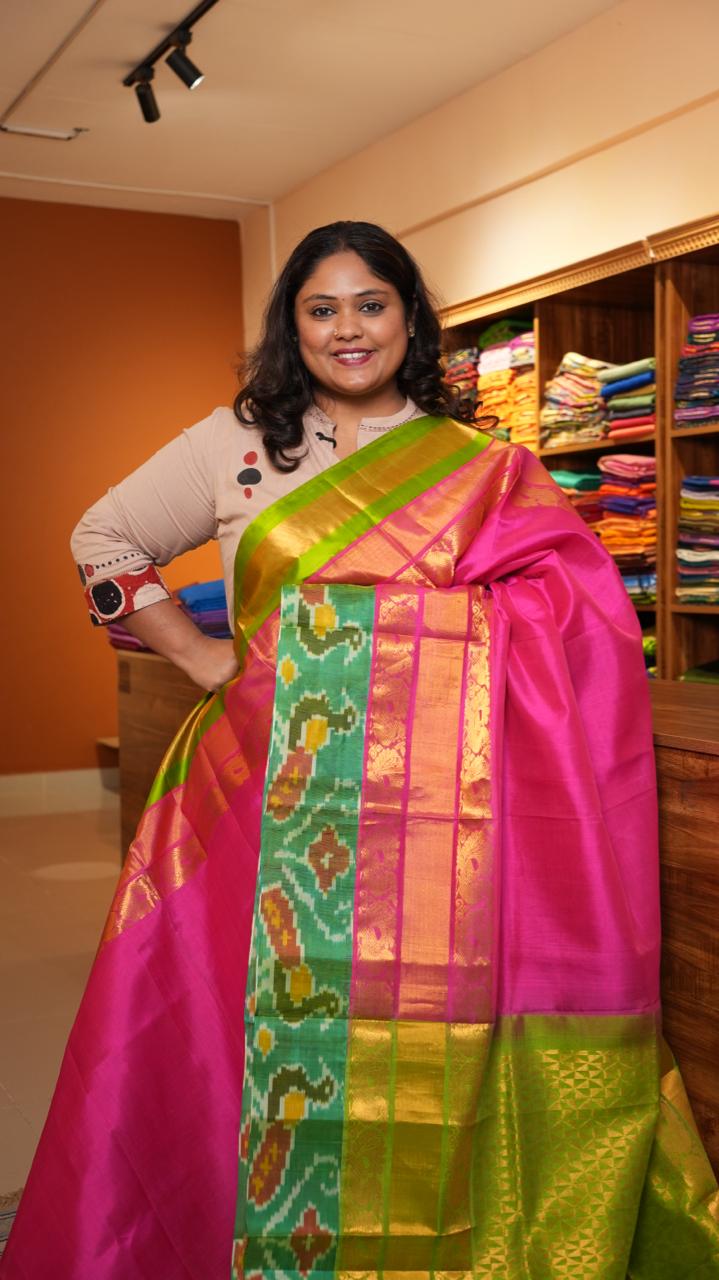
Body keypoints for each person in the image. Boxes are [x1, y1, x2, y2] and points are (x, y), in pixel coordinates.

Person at [2, 222, 717, 1279]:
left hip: (429, 825)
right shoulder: (237, 442)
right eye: (321, 308)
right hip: (255, 801)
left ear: (409, 318)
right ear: (291, 326)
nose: (348, 329)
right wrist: (201, 657)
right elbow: (101, 539)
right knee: (238, 1034)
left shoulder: (479, 464)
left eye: (371, 303)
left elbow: (569, 612)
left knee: (418, 1036)